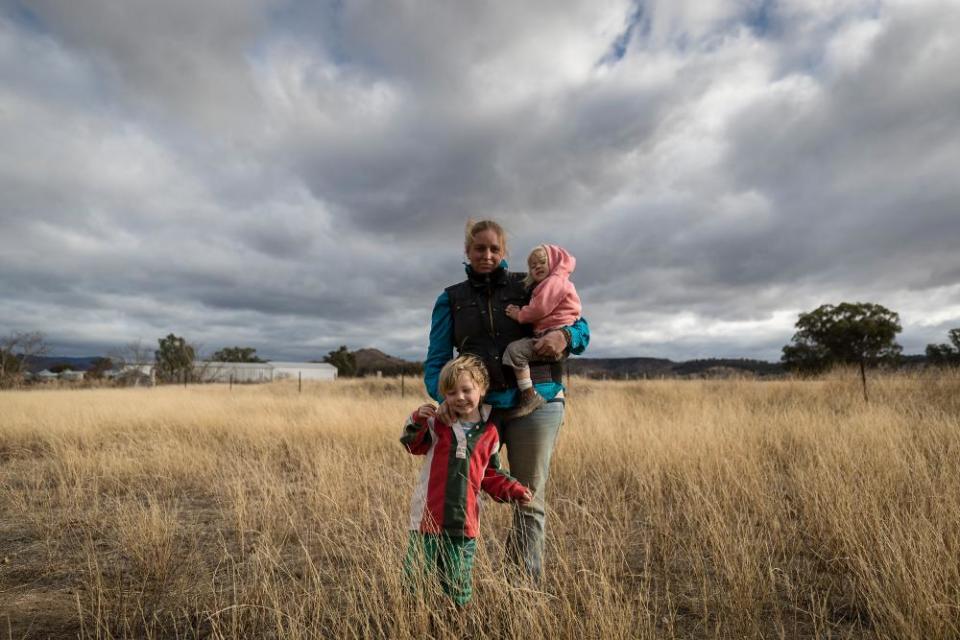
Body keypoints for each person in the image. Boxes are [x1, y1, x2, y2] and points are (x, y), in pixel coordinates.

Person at [424, 220, 590, 582]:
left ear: (504, 252)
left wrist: (565, 335)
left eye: (494, 249)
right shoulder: (450, 298)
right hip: (480, 409)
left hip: (539, 400)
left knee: (529, 498)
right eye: (479, 248)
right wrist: (445, 399)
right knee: (457, 491)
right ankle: (451, 582)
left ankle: (522, 589)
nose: (486, 255)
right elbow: (437, 360)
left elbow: (581, 325)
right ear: (466, 252)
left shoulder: (530, 284)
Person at [402, 355, 532, 606]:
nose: (460, 397)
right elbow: (411, 444)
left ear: (482, 389)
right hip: (426, 520)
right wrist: (419, 417)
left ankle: (455, 621)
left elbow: (491, 475)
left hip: (464, 523)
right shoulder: (436, 424)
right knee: (415, 579)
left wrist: (514, 490)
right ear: (444, 396)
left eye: (466, 390)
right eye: (451, 393)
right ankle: (415, 620)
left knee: (457, 582)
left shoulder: (489, 433)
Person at [503, 244, 582, 418]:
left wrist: (519, 314)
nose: (537, 267)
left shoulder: (554, 282)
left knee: (515, 351)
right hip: (549, 333)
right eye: (532, 265)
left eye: (542, 262)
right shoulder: (547, 284)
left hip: (552, 335)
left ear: (554, 262)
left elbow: (540, 309)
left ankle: (529, 395)